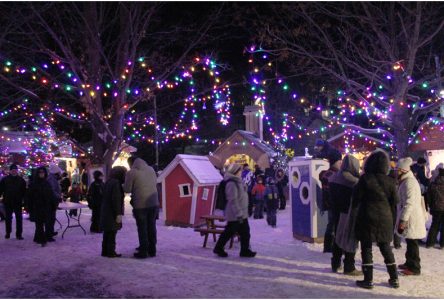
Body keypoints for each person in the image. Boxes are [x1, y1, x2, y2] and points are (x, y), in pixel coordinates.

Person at [354, 150, 399, 289]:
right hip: (385, 218)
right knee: (385, 247)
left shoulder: (365, 179)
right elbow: (395, 202)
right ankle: (394, 278)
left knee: (366, 248)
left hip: (367, 216)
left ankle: (368, 280)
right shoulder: (391, 181)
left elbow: (356, 199)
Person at [214, 163, 256, 258]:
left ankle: (244, 250)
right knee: (229, 232)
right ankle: (219, 248)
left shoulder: (238, 181)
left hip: (241, 213)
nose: (241, 172)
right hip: (235, 214)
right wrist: (239, 213)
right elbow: (233, 200)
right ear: (235, 171)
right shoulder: (231, 183)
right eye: (240, 170)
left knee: (244, 232)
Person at [329, 155, 362, 276]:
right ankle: (349, 266)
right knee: (350, 238)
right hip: (349, 213)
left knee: (338, 237)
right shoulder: (353, 181)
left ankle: (335, 262)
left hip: (336, 212)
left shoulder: (334, 177)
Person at [396, 157, 428, 276]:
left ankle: (415, 267)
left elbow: (410, 203)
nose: (396, 172)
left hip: (411, 218)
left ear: (403, 170)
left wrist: (403, 219)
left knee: (412, 242)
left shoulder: (409, 182)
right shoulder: (406, 181)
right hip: (410, 217)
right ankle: (409, 262)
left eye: (398, 170)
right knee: (409, 241)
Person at [124, 157, 159, 259]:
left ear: (131, 163)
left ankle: (143, 251)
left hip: (140, 204)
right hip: (153, 202)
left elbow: (127, 189)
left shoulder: (132, 172)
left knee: (142, 227)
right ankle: (152, 249)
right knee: (151, 226)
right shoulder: (151, 169)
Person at [319, 152, 342, 253]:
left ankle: (329, 246)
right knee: (334, 224)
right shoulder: (332, 174)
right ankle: (330, 246)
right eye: (339, 160)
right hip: (333, 203)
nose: (341, 162)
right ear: (334, 162)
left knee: (332, 224)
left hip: (331, 203)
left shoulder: (329, 173)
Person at [100, 166, 126, 258]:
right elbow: (116, 199)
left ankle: (104, 251)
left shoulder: (108, 182)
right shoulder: (116, 183)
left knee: (107, 232)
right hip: (112, 212)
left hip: (106, 210)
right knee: (112, 232)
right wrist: (118, 213)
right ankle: (111, 251)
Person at [28, 166, 54, 246]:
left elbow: (50, 194)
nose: (41, 174)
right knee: (39, 224)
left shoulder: (46, 183)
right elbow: (30, 196)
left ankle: (37, 238)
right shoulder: (34, 184)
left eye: (43, 172)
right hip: (37, 206)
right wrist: (30, 207)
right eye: (40, 172)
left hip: (46, 206)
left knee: (43, 222)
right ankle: (42, 240)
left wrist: (53, 203)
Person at [0, 164, 27, 240]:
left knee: (19, 219)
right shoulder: (5, 180)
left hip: (18, 202)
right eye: (13, 170)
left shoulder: (21, 180)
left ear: (17, 171)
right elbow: (1, 189)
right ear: (10, 171)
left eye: (15, 170)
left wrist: (24, 200)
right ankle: (8, 233)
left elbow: (24, 191)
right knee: (8, 219)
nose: (14, 171)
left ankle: (19, 234)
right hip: (8, 202)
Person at [425, 167, 444, 249]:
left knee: (434, 225)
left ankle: (430, 243)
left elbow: (428, 196)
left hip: (435, 208)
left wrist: (431, 204)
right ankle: (442, 244)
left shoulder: (433, 184)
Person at [47, 164, 63, 239]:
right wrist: (58, 196)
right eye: (59, 173)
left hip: (53, 201)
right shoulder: (52, 179)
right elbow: (52, 190)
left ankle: (51, 232)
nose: (60, 175)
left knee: (52, 217)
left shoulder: (53, 178)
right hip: (51, 201)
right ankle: (49, 234)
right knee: (50, 218)